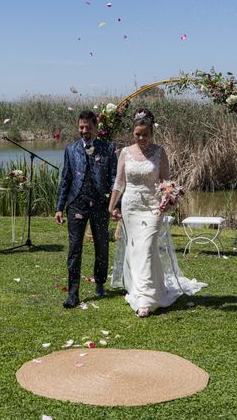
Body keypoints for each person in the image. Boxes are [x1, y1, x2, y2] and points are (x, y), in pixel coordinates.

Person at [108, 108, 207, 317]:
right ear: (132, 133)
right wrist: (112, 204)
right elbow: (119, 182)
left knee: (147, 246)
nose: (141, 138)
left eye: (145, 134)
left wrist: (168, 195)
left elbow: (165, 180)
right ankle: (143, 289)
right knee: (136, 249)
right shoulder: (125, 153)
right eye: (137, 134)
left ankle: (144, 300)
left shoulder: (159, 152)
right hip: (131, 206)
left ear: (152, 132)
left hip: (153, 208)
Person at [55, 110, 117, 308]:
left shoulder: (107, 148)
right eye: (81, 127)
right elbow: (65, 180)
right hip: (76, 204)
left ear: (96, 128)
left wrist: (116, 205)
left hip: (100, 204)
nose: (84, 131)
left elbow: (115, 179)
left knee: (102, 245)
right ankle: (73, 293)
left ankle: (100, 282)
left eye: (88, 128)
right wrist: (59, 207)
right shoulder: (70, 150)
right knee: (74, 249)